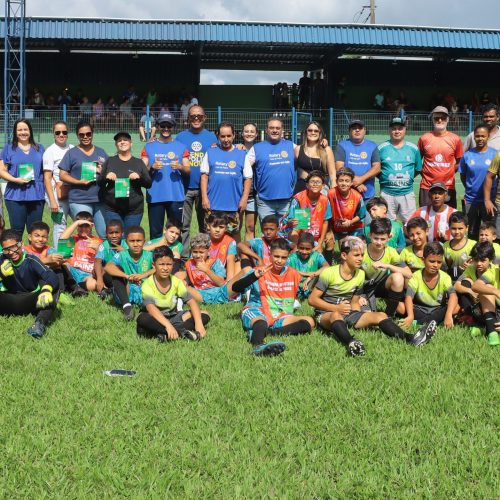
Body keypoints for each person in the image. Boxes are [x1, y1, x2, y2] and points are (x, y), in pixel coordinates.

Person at [308, 236, 436, 357]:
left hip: (347, 312)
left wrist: (361, 317)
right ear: (344, 255)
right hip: (325, 314)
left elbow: (354, 302)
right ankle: (351, 343)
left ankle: (411, 338)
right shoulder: (329, 273)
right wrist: (336, 308)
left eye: (362, 255)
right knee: (335, 315)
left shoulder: (360, 275)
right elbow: (312, 300)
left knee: (381, 315)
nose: (360, 259)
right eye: (356, 255)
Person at [231, 238, 315, 357]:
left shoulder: (293, 273)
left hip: (280, 314)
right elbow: (235, 288)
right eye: (276, 256)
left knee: (309, 322)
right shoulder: (259, 271)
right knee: (260, 323)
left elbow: (305, 290)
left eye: (284, 257)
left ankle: (267, 333)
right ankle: (258, 346)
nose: (280, 261)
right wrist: (254, 276)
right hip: (258, 309)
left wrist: (310, 280)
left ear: (288, 257)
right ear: (269, 254)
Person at [136, 246, 210, 342]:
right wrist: (168, 325)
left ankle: (165, 335)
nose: (165, 268)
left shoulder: (176, 282)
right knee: (142, 318)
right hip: (156, 319)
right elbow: (151, 308)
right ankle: (180, 332)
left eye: (169, 264)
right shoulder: (147, 284)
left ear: (173, 264)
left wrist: (199, 324)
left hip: (174, 317)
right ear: (154, 265)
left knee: (204, 314)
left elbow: (191, 302)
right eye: (161, 264)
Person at [0, 228, 60, 338]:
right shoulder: (2, 259)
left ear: (21, 244)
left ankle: (39, 324)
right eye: (6, 249)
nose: (11, 252)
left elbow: (51, 276)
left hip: (29, 300)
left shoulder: (31, 260)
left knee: (53, 291)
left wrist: (46, 289)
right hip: (9, 300)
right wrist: (1, 274)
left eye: (14, 247)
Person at [141, 111, 190, 240]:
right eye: (163, 126)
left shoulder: (181, 147)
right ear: (158, 127)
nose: (166, 129)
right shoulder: (149, 146)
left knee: (175, 231)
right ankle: (157, 258)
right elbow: (141, 169)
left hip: (175, 196)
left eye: (169, 126)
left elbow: (188, 169)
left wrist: (180, 167)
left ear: (173, 127)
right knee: (156, 232)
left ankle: (175, 258)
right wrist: (151, 167)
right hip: (155, 195)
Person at [176, 105, 218, 259]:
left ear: (204, 118)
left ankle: (204, 257)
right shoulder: (180, 137)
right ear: (188, 118)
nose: (196, 118)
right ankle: (185, 258)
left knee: (205, 226)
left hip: (205, 190)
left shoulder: (212, 137)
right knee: (184, 226)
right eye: (193, 116)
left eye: (199, 116)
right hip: (184, 188)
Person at [200, 121, 252, 241]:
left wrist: (244, 199)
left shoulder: (242, 153)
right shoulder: (210, 152)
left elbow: (248, 178)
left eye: (229, 136)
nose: (226, 139)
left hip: (233, 205)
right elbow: (204, 176)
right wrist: (204, 198)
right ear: (218, 136)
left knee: (234, 237)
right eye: (223, 136)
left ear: (234, 135)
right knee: (211, 236)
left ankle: (234, 259)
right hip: (213, 205)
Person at [58, 121, 108, 238]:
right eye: (82, 135)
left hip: (100, 199)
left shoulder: (101, 152)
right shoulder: (71, 153)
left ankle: (104, 256)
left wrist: (102, 172)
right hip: (80, 199)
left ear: (92, 134)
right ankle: (84, 256)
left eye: (88, 134)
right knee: (85, 234)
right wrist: (79, 182)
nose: (85, 137)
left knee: (104, 234)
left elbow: (109, 172)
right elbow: (62, 175)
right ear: (77, 135)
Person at [244, 117, 296, 221]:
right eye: (271, 128)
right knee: (267, 235)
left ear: (282, 130)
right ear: (266, 130)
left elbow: (308, 154)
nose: (275, 130)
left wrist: (323, 143)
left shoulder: (292, 146)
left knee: (285, 234)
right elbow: (244, 167)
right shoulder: (257, 148)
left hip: (286, 200)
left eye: (278, 128)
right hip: (265, 201)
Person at [98, 131, 152, 231]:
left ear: (131, 143)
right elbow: (99, 182)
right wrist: (106, 176)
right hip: (112, 209)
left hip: (134, 210)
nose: (122, 142)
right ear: (116, 144)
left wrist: (138, 178)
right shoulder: (110, 161)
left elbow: (149, 183)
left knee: (130, 237)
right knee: (115, 238)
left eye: (125, 140)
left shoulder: (138, 162)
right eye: (119, 141)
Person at [0, 119, 45, 236]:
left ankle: (33, 255)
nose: (23, 132)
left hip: (36, 195)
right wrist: (16, 180)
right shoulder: (8, 149)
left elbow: (46, 171)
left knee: (36, 232)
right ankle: (16, 254)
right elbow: (1, 171)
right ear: (15, 132)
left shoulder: (40, 148)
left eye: (25, 129)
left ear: (30, 131)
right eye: (19, 130)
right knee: (17, 231)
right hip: (15, 195)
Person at [361, 218, 412, 316]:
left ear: (389, 237)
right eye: (376, 238)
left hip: (382, 285)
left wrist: (387, 265)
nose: (379, 242)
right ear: (370, 235)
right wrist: (358, 296)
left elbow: (408, 274)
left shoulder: (391, 252)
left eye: (383, 239)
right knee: (367, 315)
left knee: (398, 277)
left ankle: (388, 315)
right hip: (363, 287)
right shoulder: (362, 250)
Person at [402, 242, 459, 328]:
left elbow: (453, 296)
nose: (435, 265)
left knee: (457, 307)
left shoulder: (445, 277)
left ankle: (419, 322)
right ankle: (435, 321)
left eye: (439, 262)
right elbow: (409, 297)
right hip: (419, 308)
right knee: (400, 307)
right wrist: (410, 315)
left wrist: (448, 315)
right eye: (432, 261)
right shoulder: (416, 276)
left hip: (438, 309)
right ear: (423, 260)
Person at [104, 226, 154, 321]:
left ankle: (146, 307)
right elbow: (108, 267)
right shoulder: (122, 255)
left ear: (144, 241)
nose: (135, 244)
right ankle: (127, 308)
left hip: (144, 290)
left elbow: (159, 268)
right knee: (116, 273)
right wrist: (126, 276)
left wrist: (144, 274)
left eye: (139, 240)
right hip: (127, 291)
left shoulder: (150, 255)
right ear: (126, 242)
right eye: (132, 241)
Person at [417, 106, 463, 208]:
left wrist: (450, 171)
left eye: (443, 118)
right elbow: (417, 161)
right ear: (432, 119)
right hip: (427, 186)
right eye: (436, 118)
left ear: (448, 120)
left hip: (448, 186)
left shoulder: (455, 139)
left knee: (448, 219)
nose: (440, 120)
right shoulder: (424, 138)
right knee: (426, 219)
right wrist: (425, 174)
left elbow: (460, 162)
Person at [378, 117, 422, 223]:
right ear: (389, 130)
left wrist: (406, 178)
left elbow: (417, 169)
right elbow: (376, 169)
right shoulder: (381, 148)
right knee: (387, 225)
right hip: (387, 194)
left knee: (410, 225)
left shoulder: (414, 149)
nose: (397, 131)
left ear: (405, 130)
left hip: (407, 194)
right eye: (394, 128)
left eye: (400, 128)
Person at [459, 125, 498, 240]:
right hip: (471, 200)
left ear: (488, 137)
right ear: (474, 137)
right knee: (471, 232)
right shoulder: (467, 155)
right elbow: (463, 175)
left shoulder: (495, 154)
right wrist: (470, 188)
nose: (480, 139)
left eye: (483, 136)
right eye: (477, 136)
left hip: (490, 201)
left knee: (488, 233)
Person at [182, 233, 241, 305]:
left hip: (219, 292)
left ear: (208, 251)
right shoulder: (189, 264)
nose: (198, 255)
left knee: (242, 271)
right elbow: (188, 282)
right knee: (182, 286)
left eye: (201, 252)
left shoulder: (215, 262)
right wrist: (184, 282)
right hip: (201, 294)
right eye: (195, 252)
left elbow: (221, 283)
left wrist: (206, 270)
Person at [43, 120, 74, 247]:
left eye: (64, 132)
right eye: (58, 132)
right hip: (57, 195)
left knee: (80, 222)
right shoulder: (50, 151)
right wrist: (52, 201)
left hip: (72, 192)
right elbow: (47, 178)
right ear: (53, 134)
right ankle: (58, 258)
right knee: (59, 226)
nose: (61, 135)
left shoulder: (73, 148)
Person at [284, 170, 332, 252]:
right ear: (307, 185)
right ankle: (291, 261)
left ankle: (328, 263)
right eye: (312, 182)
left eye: (318, 182)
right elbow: (291, 222)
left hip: (316, 233)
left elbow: (325, 222)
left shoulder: (325, 200)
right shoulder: (298, 198)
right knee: (298, 247)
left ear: (323, 186)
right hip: (298, 231)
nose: (315, 184)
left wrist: (320, 242)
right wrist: (291, 222)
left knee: (327, 242)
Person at [334, 120, 381, 201]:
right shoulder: (342, 145)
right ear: (349, 131)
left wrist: (361, 179)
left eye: (360, 128)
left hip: (367, 194)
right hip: (347, 194)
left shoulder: (372, 145)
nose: (357, 130)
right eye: (354, 128)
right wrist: (356, 183)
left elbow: (377, 168)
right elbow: (339, 168)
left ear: (364, 130)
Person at [60, 211, 103, 294]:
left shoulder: (98, 241)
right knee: (62, 262)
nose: (83, 228)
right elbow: (62, 240)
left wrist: (97, 249)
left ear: (92, 226)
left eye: (86, 226)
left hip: (87, 274)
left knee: (93, 284)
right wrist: (76, 223)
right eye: (80, 226)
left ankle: (77, 287)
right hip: (72, 271)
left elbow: (103, 261)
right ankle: (74, 286)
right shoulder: (73, 239)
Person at [471, 243, 500, 346]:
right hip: (489, 310)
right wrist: (495, 291)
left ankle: (483, 326)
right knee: (487, 288)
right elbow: (476, 286)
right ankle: (492, 332)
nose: (478, 263)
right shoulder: (493, 272)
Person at [295, 121, 335, 192]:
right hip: (302, 190)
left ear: (320, 133)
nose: (313, 133)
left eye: (316, 131)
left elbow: (332, 174)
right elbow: (292, 169)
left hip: (321, 190)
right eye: (310, 130)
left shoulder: (326, 149)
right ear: (306, 132)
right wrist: (300, 171)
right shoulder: (298, 149)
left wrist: (333, 190)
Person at [327, 167, 366, 242]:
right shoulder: (330, 193)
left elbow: (361, 214)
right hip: (337, 227)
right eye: (341, 180)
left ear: (351, 183)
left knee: (356, 247)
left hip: (354, 226)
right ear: (336, 181)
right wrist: (329, 231)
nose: (344, 183)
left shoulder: (357, 196)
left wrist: (350, 222)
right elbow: (326, 215)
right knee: (334, 244)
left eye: (347, 181)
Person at [286, 232, 328, 299]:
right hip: (295, 286)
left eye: (308, 249)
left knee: (325, 275)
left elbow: (327, 267)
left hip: (311, 284)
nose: (304, 251)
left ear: (313, 248)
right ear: (297, 246)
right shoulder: (292, 258)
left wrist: (311, 276)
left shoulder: (316, 255)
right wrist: (306, 274)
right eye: (301, 248)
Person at [94, 219, 127, 297]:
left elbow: (134, 258)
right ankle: (107, 288)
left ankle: (113, 289)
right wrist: (99, 279)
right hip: (110, 274)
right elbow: (97, 261)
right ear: (106, 234)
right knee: (98, 270)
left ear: (122, 233)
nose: (114, 235)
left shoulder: (126, 244)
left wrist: (124, 251)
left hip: (125, 273)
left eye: (117, 232)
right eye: (111, 233)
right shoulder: (104, 245)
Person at [443, 212, 476, 281]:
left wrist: (473, 266)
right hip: (451, 282)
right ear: (449, 227)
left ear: (467, 228)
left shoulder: (473, 245)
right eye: (454, 228)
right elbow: (444, 269)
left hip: (470, 281)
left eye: (460, 228)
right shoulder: (445, 246)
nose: (457, 232)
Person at [240, 122, 258, 241]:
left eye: (252, 131)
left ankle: (248, 257)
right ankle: (235, 255)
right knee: (234, 227)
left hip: (253, 195)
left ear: (256, 134)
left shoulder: (260, 149)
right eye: (246, 131)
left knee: (250, 227)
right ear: (242, 133)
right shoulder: (236, 148)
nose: (249, 134)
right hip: (238, 194)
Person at [206, 213, 238, 281]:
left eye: (221, 227)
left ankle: (230, 286)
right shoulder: (203, 239)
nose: (217, 230)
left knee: (238, 264)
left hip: (220, 275)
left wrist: (229, 281)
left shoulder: (230, 241)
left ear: (226, 228)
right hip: (204, 272)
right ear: (208, 226)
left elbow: (230, 260)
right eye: (214, 226)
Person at [484, 150, 500, 238]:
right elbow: (489, 176)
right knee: (497, 238)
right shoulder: (499, 155)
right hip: (499, 203)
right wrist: (487, 200)